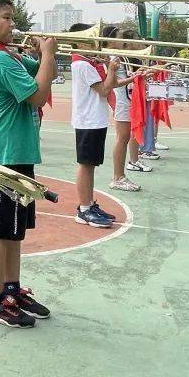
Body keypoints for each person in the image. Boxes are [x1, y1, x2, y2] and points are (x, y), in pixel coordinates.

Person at [0, 0, 55, 327]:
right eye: (5, 18)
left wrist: (42, 56)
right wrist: (47, 55)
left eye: (12, 17)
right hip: (4, 152)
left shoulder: (9, 55)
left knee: (14, 229)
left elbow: (40, 74)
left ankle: (11, 288)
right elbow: (37, 94)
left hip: (17, 150)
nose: (12, 23)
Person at [69, 22, 120, 227]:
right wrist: (112, 68)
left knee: (90, 164)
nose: (94, 44)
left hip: (93, 119)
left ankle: (89, 205)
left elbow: (108, 86)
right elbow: (105, 90)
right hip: (88, 120)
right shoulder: (82, 64)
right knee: (86, 164)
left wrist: (109, 67)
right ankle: (84, 208)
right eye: (89, 41)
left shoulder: (87, 63)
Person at [104, 27, 149, 192]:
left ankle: (120, 175)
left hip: (127, 99)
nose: (125, 42)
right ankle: (117, 177)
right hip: (122, 100)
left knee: (125, 137)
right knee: (122, 138)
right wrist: (135, 77)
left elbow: (125, 78)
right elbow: (116, 82)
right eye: (121, 38)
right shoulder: (114, 57)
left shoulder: (121, 56)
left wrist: (138, 75)